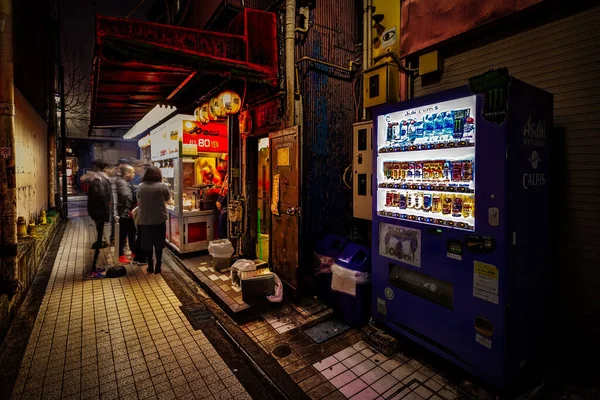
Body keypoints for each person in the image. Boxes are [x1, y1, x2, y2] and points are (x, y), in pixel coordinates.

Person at [137, 166, 170, 274]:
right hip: (159, 219)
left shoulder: (140, 187)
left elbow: (138, 199)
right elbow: (168, 199)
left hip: (145, 219)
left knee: (148, 243)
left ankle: (150, 266)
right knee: (159, 243)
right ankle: (158, 266)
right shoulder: (162, 186)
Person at [86, 160, 112, 278]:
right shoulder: (98, 180)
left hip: (97, 212)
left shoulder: (97, 179)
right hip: (99, 213)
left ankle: (94, 267)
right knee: (99, 239)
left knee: (100, 238)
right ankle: (93, 270)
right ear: (105, 168)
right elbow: (101, 196)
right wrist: (107, 210)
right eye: (110, 168)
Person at [116, 165, 137, 264]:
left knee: (132, 233)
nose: (134, 174)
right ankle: (120, 255)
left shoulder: (126, 182)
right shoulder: (122, 182)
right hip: (124, 213)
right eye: (132, 172)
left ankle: (134, 252)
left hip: (127, 213)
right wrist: (130, 207)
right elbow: (126, 195)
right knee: (122, 235)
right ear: (127, 173)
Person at [216, 174, 228, 239]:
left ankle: (223, 238)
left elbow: (227, 192)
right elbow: (222, 190)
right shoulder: (226, 175)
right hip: (222, 201)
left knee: (223, 217)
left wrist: (221, 203)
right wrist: (218, 201)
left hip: (225, 203)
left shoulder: (230, 176)